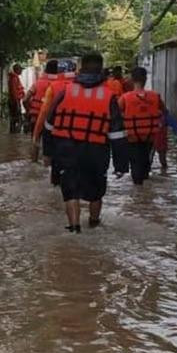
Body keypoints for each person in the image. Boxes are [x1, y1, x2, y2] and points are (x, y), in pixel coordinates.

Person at [41, 52, 128, 232]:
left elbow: (49, 124)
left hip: (67, 149)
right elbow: (117, 134)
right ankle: (94, 224)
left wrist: (48, 153)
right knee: (96, 191)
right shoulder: (109, 96)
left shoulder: (66, 91)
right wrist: (120, 165)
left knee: (70, 190)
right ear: (102, 69)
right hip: (96, 152)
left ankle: (74, 228)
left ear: (81, 69)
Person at [119, 66, 166, 185]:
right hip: (149, 136)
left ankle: (138, 194)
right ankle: (145, 194)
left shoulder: (125, 98)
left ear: (131, 79)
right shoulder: (155, 96)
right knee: (145, 162)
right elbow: (164, 111)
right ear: (145, 79)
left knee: (135, 163)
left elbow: (115, 115)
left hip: (132, 137)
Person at [26, 59, 58, 138]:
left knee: (34, 143)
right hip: (52, 120)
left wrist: (28, 111)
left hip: (35, 117)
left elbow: (25, 99)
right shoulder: (61, 85)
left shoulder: (38, 82)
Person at [8, 64, 26, 134]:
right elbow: (14, 91)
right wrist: (17, 103)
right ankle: (14, 133)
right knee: (16, 118)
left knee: (15, 118)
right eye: (20, 69)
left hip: (15, 100)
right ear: (17, 70)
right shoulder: (14, 79)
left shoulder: (14, 78)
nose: (21, 71)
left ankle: (13, 134)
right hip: (14, 101)